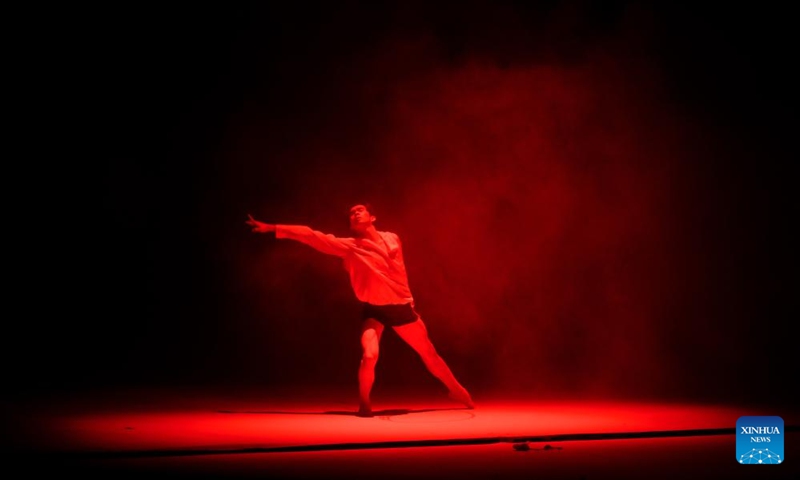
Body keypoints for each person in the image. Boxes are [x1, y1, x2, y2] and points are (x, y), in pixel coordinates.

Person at [245, 203, 475, 417]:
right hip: (374, 309)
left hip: (401, 307)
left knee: (429, 353)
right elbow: (309, 234)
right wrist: (273, 228)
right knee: (369, 356)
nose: (355, 213)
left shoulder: (393, 238)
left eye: (360, 210)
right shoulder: (349, 247)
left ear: (372, 217)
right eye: (351, 213)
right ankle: (364, 403)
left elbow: (389, 262)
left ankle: (458, 391)